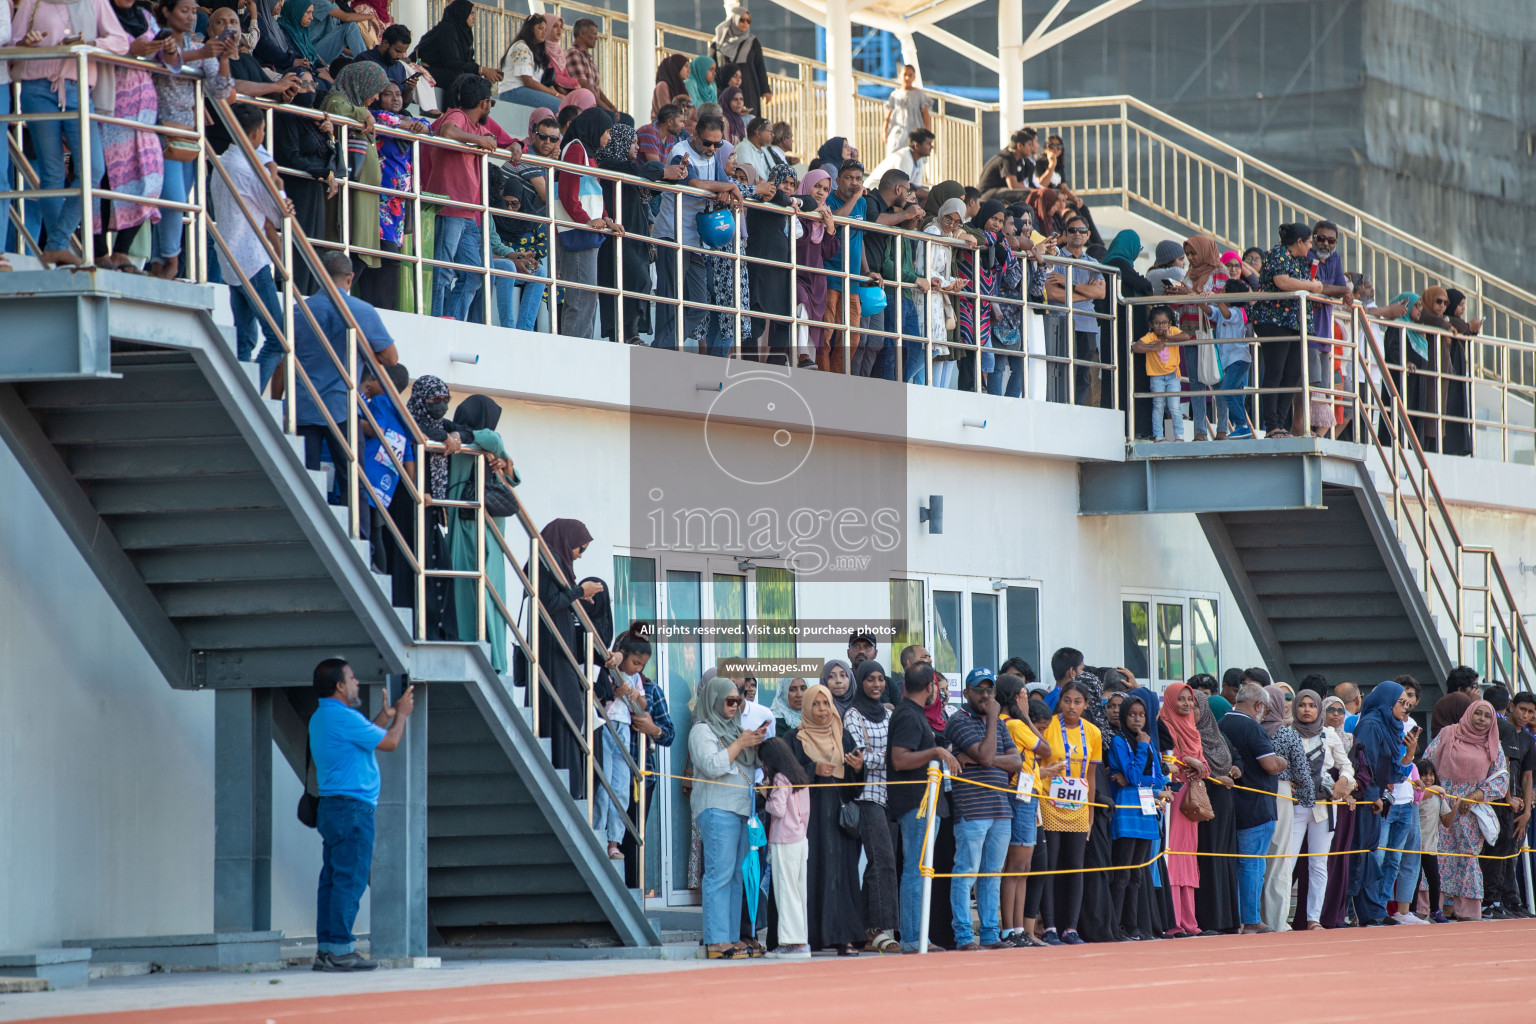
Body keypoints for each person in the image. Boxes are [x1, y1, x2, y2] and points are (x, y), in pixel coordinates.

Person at [308, 657, 414, 971]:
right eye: (352, 678)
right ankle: (342, 950)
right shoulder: (345, 718)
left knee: (331, 879)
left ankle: (327, 949)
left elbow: (365, 737)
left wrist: (387, 714)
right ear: (339, 685)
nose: (356, 683)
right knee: (349, 881)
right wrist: (403, 716)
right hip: (353, 809)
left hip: (332, 807)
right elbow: (391, 742)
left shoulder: (323, 717)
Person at [10, 0, 132, 267]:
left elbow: (121, 42)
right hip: (37, 89)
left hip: (79, 88)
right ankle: (58, 248)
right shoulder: (33, 2)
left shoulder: (94, 3)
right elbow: (11, 47)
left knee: (93, 170)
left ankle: (56, 243)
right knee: (52, 171)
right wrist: (26, 44)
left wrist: (90, 46)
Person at [292, 249, 400, 516]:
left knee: (303, 483)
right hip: (341, 407)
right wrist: (364, 350)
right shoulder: (361, 311)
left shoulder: (297, 311)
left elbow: (284, 362)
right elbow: (391, 358)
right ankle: (357, 542)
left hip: (303, 406)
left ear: (319, 275)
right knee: (351, 480)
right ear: (350, 278)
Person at [211, 101, 287, 388]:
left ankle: (240, 391)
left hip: (230, 258)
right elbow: (279, 217)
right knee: (277, 338)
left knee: (246, 337)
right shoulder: (249, 170)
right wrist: (278, 185)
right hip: (252, 260)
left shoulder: (223, 162)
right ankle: (251, 394)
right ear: (256, 133)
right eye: (263, 131)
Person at [690, 673, 766, 958]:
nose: (735, 706)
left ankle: (732, 938)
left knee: (737, 877)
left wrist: (755, 743)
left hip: (742, 811)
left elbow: (749, 767)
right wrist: (741, 744)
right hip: (717, 809)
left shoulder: (735, 730)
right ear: (714, 700)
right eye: (729, 701)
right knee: (719, 876)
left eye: (739, 700)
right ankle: (715, 940)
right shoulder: (702, 730)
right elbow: (712, 765)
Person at [944, 667, 1020, 950]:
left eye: (990, 690)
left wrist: (980, 759)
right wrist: (991, 720)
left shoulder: (998, 723)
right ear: (966, 693)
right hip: (972, 809)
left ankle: (989, 932)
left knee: (992, 874)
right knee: (966, 873)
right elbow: (990, 754)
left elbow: (1017, 762)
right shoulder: (958, 720)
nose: (986, 695)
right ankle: (964, 935)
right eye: (980, 690)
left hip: (1001, 808)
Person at [651, 115, 742, 351]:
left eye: (717, 144)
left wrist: (725, 189)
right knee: (670, 299)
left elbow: (721, 184)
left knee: (699, 305)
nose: (712, 149)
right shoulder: (680, 152)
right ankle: (663, 350)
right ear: (694, 136)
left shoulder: (712, 159)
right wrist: (727, 187)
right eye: (707, 143)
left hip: (695, 240)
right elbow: (694, 185)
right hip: (672, 233)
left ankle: (662, 346)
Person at [888, 662, 960, 951]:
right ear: (930, 687)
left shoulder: (913, 713)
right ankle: (912, 938)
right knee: (915, 871)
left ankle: (919, 937)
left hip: (926, 802)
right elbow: (899, 759)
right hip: (916, 803)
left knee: (920, 870)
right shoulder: (907, 714)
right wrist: (936, 751)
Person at [788, 683, 865, 955]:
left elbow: (856, 786)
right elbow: (783, 775)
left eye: (826, 704)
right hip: (809, 819)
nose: (822, 710)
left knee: (842, 875)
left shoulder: (843, 737)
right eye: (816, 704)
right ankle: (811, 936)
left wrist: (858, 768)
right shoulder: (794, 739)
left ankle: (843, 936)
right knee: (812, 873)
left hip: (840, 819)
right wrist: (812, 769)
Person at [530, 518, 599, 797]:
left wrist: (576, 596)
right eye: (580, 549)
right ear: (567, 541)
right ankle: (569, 784)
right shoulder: (551, 558)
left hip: (558, 647)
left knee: (570, 712)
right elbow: (547, 604)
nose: (579, 555)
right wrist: (580, 592)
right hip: (552, 648)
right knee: (567, 712)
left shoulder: (553, 559)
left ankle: (572, 783)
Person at [1426, 699, 1508, 920]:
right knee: (1437, 854)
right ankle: (1433, 906)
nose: (1481, 719)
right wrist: (1435, 792)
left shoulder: (1492, 743)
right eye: (1478, 714)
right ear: (1469, 713)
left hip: (1469, 812)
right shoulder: (1448, 733)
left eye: (1487, 716)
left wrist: (1473, 797)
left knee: (1467, 857)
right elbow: (1426, 763)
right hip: (1440, 804)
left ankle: (1466, 911)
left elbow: (1501, 779)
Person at [425, 73, 499, 320]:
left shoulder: (479, 127)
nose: (491, 107)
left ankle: (452, 319)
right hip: (450, 206)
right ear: (483, 103)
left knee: (475, 274)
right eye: (491, 102)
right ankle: (438, 320)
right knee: (443, 269)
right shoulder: (457, 116)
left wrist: (515, 145)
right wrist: (480, 140)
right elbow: (447, 131)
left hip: (469, 211)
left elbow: (503, 139)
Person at [1219, 681, 1288, 934]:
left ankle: (1237, 917)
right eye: (1265, 708)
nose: (1265, 713)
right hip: (1256, 808)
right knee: (1253, 865)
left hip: (1231, 806)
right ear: (1258, 705)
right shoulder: (1251, 727)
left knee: (1238, 865)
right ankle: (1250, 919)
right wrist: (1282, 761)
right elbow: (1270, 765)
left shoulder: (1222, 722)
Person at [841, 661, 900, 952]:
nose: (876, 685)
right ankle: (879, 929)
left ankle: (865, 927)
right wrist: (886, 758)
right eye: (870, 680)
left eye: (880, 680)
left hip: (891, 797)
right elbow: (858, 756)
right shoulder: (853, 714)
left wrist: (879, 758)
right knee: (882, 861)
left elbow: (896, 753)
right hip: (866, 797)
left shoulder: (890, 714)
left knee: (881, 864)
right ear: (860, 683)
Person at [992, 673, 1051, 946]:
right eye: (1024, 695)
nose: (1027, 699)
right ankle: (1010, 929)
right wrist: (1026, 716)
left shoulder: (1006, 723)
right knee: (1016, 866)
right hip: (1019, 796)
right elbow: (1046, 749)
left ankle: (1018, 929)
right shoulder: (1015, 724)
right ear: (1017, 697)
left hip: (1028, 796)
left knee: (1022, 867)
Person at [1252, 222, 1327, 437]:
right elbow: (1282, 282)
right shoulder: (1278, 253)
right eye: (1310, 242)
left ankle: (1281, 423)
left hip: (1293, 322)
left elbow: (1298, 282)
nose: (1311, 246)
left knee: (1293, 373)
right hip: (1274, 320)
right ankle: (1271, 424)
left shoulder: (1300, 260)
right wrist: (1312, 286)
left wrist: (1312, 283)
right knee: (1275, 371)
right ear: (1299, 241)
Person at [321, 61, 389, 295]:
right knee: (349, 252)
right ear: (362, 83)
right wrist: (365, 114)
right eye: (375, 90)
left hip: (364, 196)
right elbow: (336, 111)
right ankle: (334, 298)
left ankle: (339, 297)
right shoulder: (337, 99)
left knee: (361, 255)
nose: (377, 97)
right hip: (352, 196)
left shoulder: (355, 106)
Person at [554, 107, 621, 340]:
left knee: (587, 299)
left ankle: (583, 349)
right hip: (578, 232)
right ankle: (574, 353)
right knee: (581, 299)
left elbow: (593, 192)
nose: (609, 137)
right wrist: (587, 221)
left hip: (586, 231)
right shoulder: (575, 150)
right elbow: (567, 194)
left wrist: (607, 220)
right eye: (607, 131)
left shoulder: (587, 152)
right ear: (595, 128)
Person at [1288, 689, 1352, 929]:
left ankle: (1313, 918)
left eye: (1311, 706)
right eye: (1302, 705)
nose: (1307, 710)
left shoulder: (1329, 734)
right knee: (1288, 860)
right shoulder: (1287, 732)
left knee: (1318, 863)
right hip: (1293, 805)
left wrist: (1345, 781)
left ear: (1318, 709)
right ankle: (1278, 918)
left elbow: (1346, 766)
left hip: (1323, 807)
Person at [1106, 689, 1166, 940]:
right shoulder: (1119, 741)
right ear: (1123, 716)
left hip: (1146, 810)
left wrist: (1139, 779)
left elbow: (1156, 778)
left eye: (1141, 715)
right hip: (1128, 811)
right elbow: (1130, 775)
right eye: (1131, 714)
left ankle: (1134, 926)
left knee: (1138, 874)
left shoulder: (1149, 741)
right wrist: (1141, 750)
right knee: (1122, 873)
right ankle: (1117, 926)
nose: (1137, 719)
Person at [1258, 684, 1314, 931]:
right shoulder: (1287, 734)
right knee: (1279, 860)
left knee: (1256, 859)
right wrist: (1307, 799)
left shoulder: (1254, 729)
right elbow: (1302, 773)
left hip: (1253, 793)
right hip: (1281, 792)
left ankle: (1254, 917)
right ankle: (1277, 920)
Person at [1158, 681, 1208, 937]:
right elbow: (1166, 760)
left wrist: (1198, 765)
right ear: (1170, 700)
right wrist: (1186, 761)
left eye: (1190, 699)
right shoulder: (1164, 724)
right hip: (1174, 798)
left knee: (1188, 857)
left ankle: (1189, 921)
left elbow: (1205, 765)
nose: (1187, 704)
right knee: (1173, 856)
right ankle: (1173, 920)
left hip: (1192, 799)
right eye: (1181, 699)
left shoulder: (1193, 728)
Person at [758, 736, 812, 959]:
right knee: (798, 893)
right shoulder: (799, 775)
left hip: (784, 840)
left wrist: (765, 794)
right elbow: (806, 812)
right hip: (800, 838)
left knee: (785, 893)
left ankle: (792, 943)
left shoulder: (780, 778)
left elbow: (778, 809)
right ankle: (800, 941)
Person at [1044, 218, 1105, 407]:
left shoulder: (1093, 262)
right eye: (1072, 230)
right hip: (1062, 322)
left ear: (1088, 235)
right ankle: (1061, 408)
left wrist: (1069, 283)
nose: (1077, 233)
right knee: (1062, 371)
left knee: (1082, 375)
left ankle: (1076, 409)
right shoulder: (1055, 258)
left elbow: (1101, 293)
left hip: (1087, 325)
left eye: (1081, 230)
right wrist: (1085, 293)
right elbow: (1053, 293)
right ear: (1065, 234)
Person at [1132, 305, 1191, 442]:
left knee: (1174, 406)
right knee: (1158, 405)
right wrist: (1153, 347)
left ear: (1169, 323)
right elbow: (1136, 347)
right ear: (1151, 324)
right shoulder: (1150, 336)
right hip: (1156, 377)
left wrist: (1170, 338)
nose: (1161, 326)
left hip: (1173, 376)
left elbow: (1186, 336)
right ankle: (1158, 435)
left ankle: (1179, 435)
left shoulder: (1173, 331)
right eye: (1157, 323)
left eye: (1164, 323)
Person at [710, 5, 770, 116]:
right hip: (724, 88)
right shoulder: (718, 42)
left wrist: (765, 90)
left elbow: (760, 67)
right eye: (741, 20)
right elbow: (711, 65)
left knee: (749, 119)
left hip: (748, 88)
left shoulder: (753, 42)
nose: (745, 23)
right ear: (733, 20)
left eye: (748, 20)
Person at [1414, 758, 1451, 922]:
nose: (1428, 778)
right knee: (1414, 878)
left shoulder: (1438, 796)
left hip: (1430, 846)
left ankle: (1435, 910)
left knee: (1434, 879)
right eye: (1424, 775)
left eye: (1431, 775)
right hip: (1415, 844)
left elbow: (1447, 822)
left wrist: (1456, 805)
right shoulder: (1417, 795)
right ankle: (1411, 910)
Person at [562, 18, 616, 114]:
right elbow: (583, 85)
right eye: (594, 33)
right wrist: (606, 109)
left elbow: (597, 89)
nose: (596, 37)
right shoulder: (574, 54)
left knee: (626, 119)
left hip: (595, 102)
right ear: (582, 33)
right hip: (585, 104)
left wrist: (611, 107)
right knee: (612, 117)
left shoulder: (587, 57)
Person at [977, 128, 1038, 203]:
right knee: (1027, 194)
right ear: (1019, 146)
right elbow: (1013, 186)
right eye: (1029, 145)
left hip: (1000, 191)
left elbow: (1021, 184)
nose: (1031, 148)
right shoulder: (1008, 158)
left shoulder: (1019, 160)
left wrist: (1036, 191)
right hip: (986, 194)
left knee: (1031, 193)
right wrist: (1035, 191)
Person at [882, 64, 932, 155]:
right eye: (905, 75)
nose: (907, 78)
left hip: (915, 132)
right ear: (899, 76)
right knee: (895, 156)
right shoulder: (894, 94)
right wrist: (884, 131)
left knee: (914, 156)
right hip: (898, 132)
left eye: (910, 75)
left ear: (914, 77)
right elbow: (888, 115)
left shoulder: (919, 94)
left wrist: (927, 134)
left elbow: (925, 115)